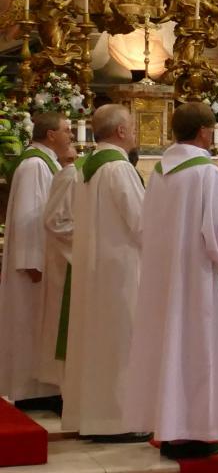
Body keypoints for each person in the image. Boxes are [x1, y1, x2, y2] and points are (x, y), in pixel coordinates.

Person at [124, 102, 218, 459]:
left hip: (162, 275)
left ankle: (170, 428)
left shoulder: (160, 170)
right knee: (196, 349)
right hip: (194, 277)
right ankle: (193, 432)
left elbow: (144, 225)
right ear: (205, 132)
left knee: (168, 347)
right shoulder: (204, 172)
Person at [62, 105, 147, 442]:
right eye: (132, 126)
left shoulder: (86, 167)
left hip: (95, 267)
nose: (135, 132)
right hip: (121, 270)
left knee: (97, 342)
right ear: (121, 132)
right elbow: (142, 224)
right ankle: (119, 420)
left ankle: (93, 416)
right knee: (121, 341)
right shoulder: (118, 169)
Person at [0, 112, 70, 409]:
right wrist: (32, 262)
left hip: (45, 261)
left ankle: (46, 389)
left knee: (44, 327)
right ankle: (31, 391)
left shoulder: (45, 162)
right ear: (50, 134)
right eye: (66, 129)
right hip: (34, 266)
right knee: (30, 325)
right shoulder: (33, 165)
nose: (70, 134)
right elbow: (28, 216)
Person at [36, 145, 78, 389]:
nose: (71, 136)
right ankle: (60, 386)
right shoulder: (73, 174)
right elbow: (54, 220)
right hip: (69, 261)